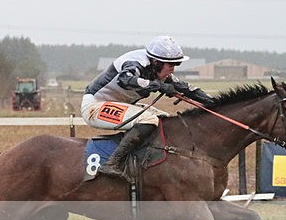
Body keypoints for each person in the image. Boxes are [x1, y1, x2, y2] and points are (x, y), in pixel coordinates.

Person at [81, 36, 213, 179]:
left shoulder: (158, 71)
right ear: (156, 62)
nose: (172, 71)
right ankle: (112, 163)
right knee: (149, 119)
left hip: (120, 105)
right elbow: (125, 79)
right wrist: (159, 86)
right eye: (170, 66)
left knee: (166, 120)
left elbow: (188, 89)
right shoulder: (135, 63)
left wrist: (215, 104)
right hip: (95, 106)